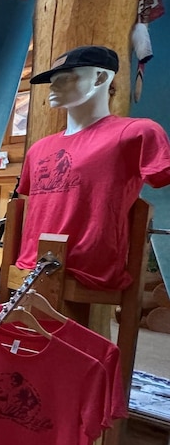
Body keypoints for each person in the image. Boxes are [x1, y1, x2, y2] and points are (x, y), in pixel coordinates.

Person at [16, 45, 170, 291]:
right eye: (52, 81)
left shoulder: (137, 132)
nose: (53, 87)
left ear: (100, 77)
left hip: (88, 269)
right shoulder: (38, 150)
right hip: (30, 265)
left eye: (65, 78)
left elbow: (161, 175)